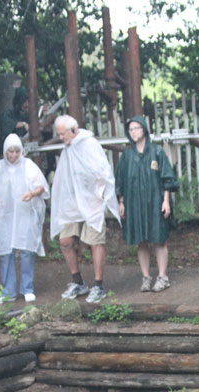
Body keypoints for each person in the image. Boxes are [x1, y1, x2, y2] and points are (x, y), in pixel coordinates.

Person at [50, 114, 120, 306]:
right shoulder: (67, 149)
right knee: (65, 241)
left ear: (73, 131)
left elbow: (102, 172)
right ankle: (78, 281)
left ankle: (98, 285)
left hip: (91, 202)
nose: (61, 138)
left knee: (95, 242)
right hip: (72, 203)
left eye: (62, 134)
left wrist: (98, 197)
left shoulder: (89, 144)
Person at [115, 116, 178, 292]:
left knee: (159, 239)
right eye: (130, 129)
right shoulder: (126, 156)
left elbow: (167, 178)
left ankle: (163, 277)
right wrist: (121, 202)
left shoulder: (157, 152)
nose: (133, 132)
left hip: (155, 202)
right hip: (134, 204)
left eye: (136, 128)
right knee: (140, 241)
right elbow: (120, 181)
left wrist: (166, 201)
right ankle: (145, 277)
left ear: (144, 129)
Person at [0, 134, 50, 305]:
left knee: (26, 250)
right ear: (5, 151)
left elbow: (41, 186)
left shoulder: (28, 165)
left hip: (25, 213)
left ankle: (27, 288)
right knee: (6, 252)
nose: (13, 155)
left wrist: (32, 193)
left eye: (16, 151)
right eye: (10, 151)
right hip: (5, 216)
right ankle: (9, 290)